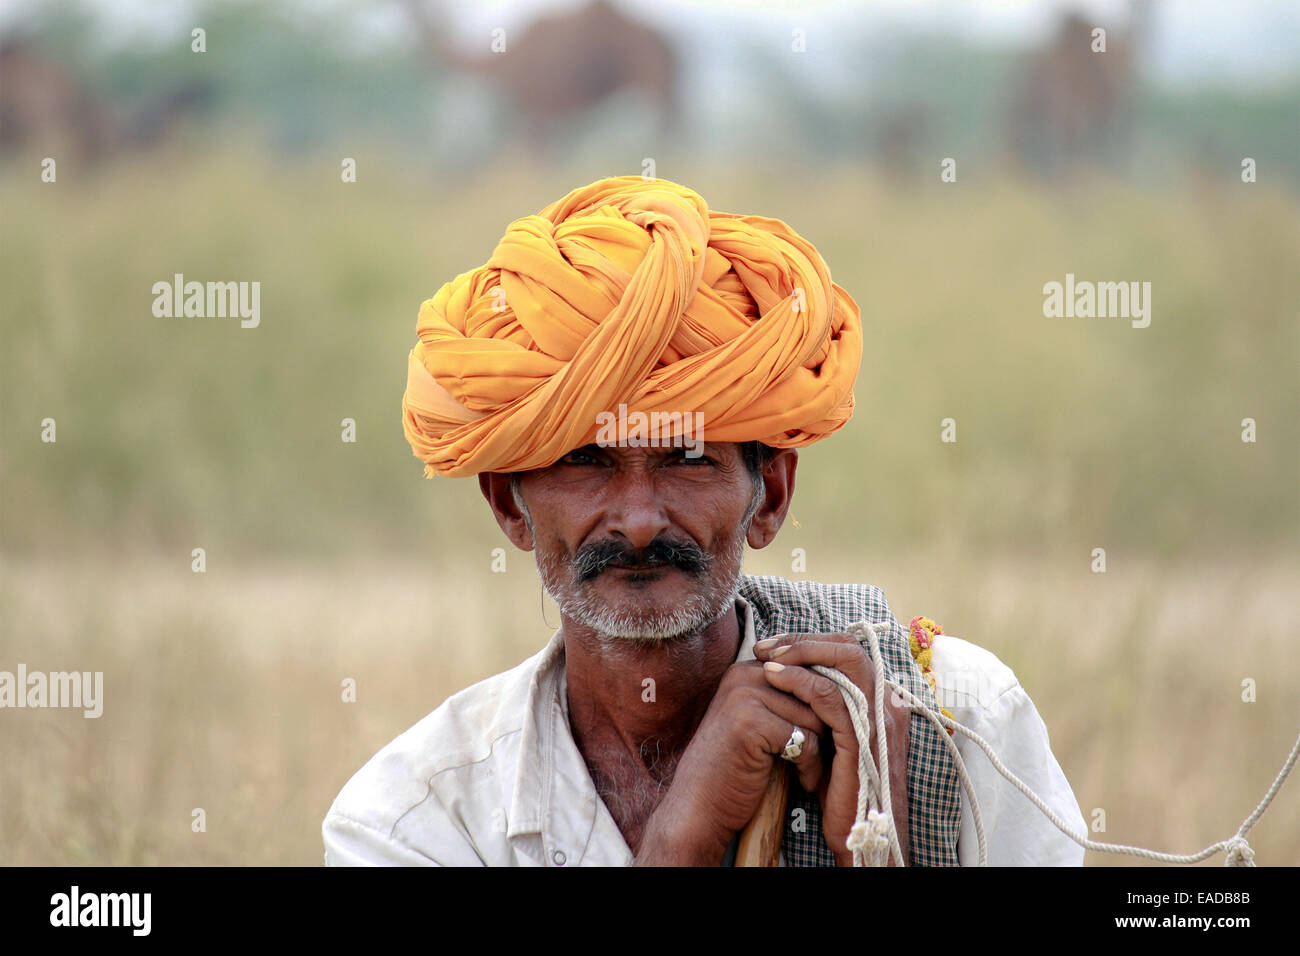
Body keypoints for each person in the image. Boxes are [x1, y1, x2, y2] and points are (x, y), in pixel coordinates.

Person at [322, 176, 1085, 866]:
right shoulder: (416, 821)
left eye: (687, 460)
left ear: (772, 494)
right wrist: (677, 844)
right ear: (507, 504)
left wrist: (875, 851)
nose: (641, 520)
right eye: (587, 463)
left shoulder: (958, 724)